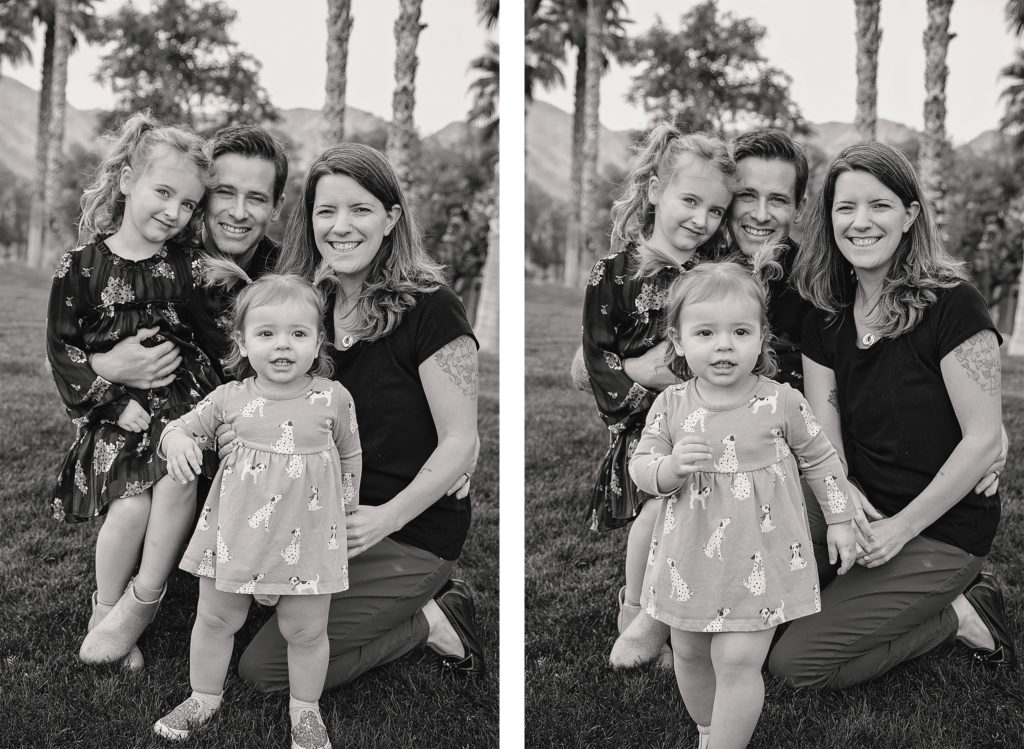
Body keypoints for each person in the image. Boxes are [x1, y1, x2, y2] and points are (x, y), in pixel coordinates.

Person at [768, 142, 1015, 691]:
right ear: (828, 217)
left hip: (941, 530)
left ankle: (961, 615)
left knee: (795, 666)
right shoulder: (826, 319)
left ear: (909, 216)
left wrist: (900, 529)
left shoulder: (954, 305)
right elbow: (824, 444)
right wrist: (842, 494)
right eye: (844, 207)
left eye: (879, 206)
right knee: (765, 614)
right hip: (859, 507)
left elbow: (981, 441)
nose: (860, 223)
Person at [235, 143, 483, 690]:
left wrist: (386, 518)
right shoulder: (307, 309)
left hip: (406, 530)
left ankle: (433, 622)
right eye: (326, 211)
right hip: (319, 518)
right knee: (246, 617)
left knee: (266, 672)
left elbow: (460, 442)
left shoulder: (433, 308)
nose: (341, 227)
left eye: (361, 209)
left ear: (391, 218)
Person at [624, 255, 859, 749]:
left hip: (762, 555)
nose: (724, 344)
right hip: (689, 560)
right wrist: (668, 469)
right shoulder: (671, 405)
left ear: (761, 338)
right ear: (679, 342)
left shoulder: (782, 402)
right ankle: (709, 730)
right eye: (705, 333)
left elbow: (820, 460)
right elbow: (641, 467)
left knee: (735, 660)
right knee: (689, 652)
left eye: (740, 332)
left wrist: (839, 518)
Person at [153, 270, 359, 749]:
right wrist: (179, 440)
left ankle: (305, 711)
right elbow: (177, 427)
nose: (282, 345)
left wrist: (347, 502)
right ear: (243, 343)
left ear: (318, 342)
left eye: (298, 334)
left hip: (308, 538)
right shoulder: (231, 398)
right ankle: (203, 696)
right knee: (215, 620)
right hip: (235, 537)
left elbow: (350, 453)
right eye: (266, 333)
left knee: (306, 631)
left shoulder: (333, 398)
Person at [46, 112, 218, 670]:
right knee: (131, 508)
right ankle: (105, 609)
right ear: (126, 181)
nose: (174, 212)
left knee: (178, 478)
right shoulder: (81, 268)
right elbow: (64, 348)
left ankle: (141, 604)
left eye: (188, 203)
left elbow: (219, 338)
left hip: (180, 410)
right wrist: (113, 401)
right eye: (163, 192)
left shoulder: (188, 267)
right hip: (116, 414)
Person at [579, 124, 735, 667]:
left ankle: (681, 620)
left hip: (707, 423)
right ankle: (635, 614)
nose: (702, 219)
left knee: (700, 522)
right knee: (657, 517)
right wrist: (638, 392)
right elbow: (598, 354)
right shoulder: (615, 273)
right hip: (647, 428)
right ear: (653, 191)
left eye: (715, 210)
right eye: (690, 200)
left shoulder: (710, 274)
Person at [90, 124, 289, 386]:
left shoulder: (291, 274)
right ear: (204, 196)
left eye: (256, 198)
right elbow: (66, 341)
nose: (239, 212)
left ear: (276, 207)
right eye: (225, 193)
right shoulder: (156, 261)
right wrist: (101, 364)